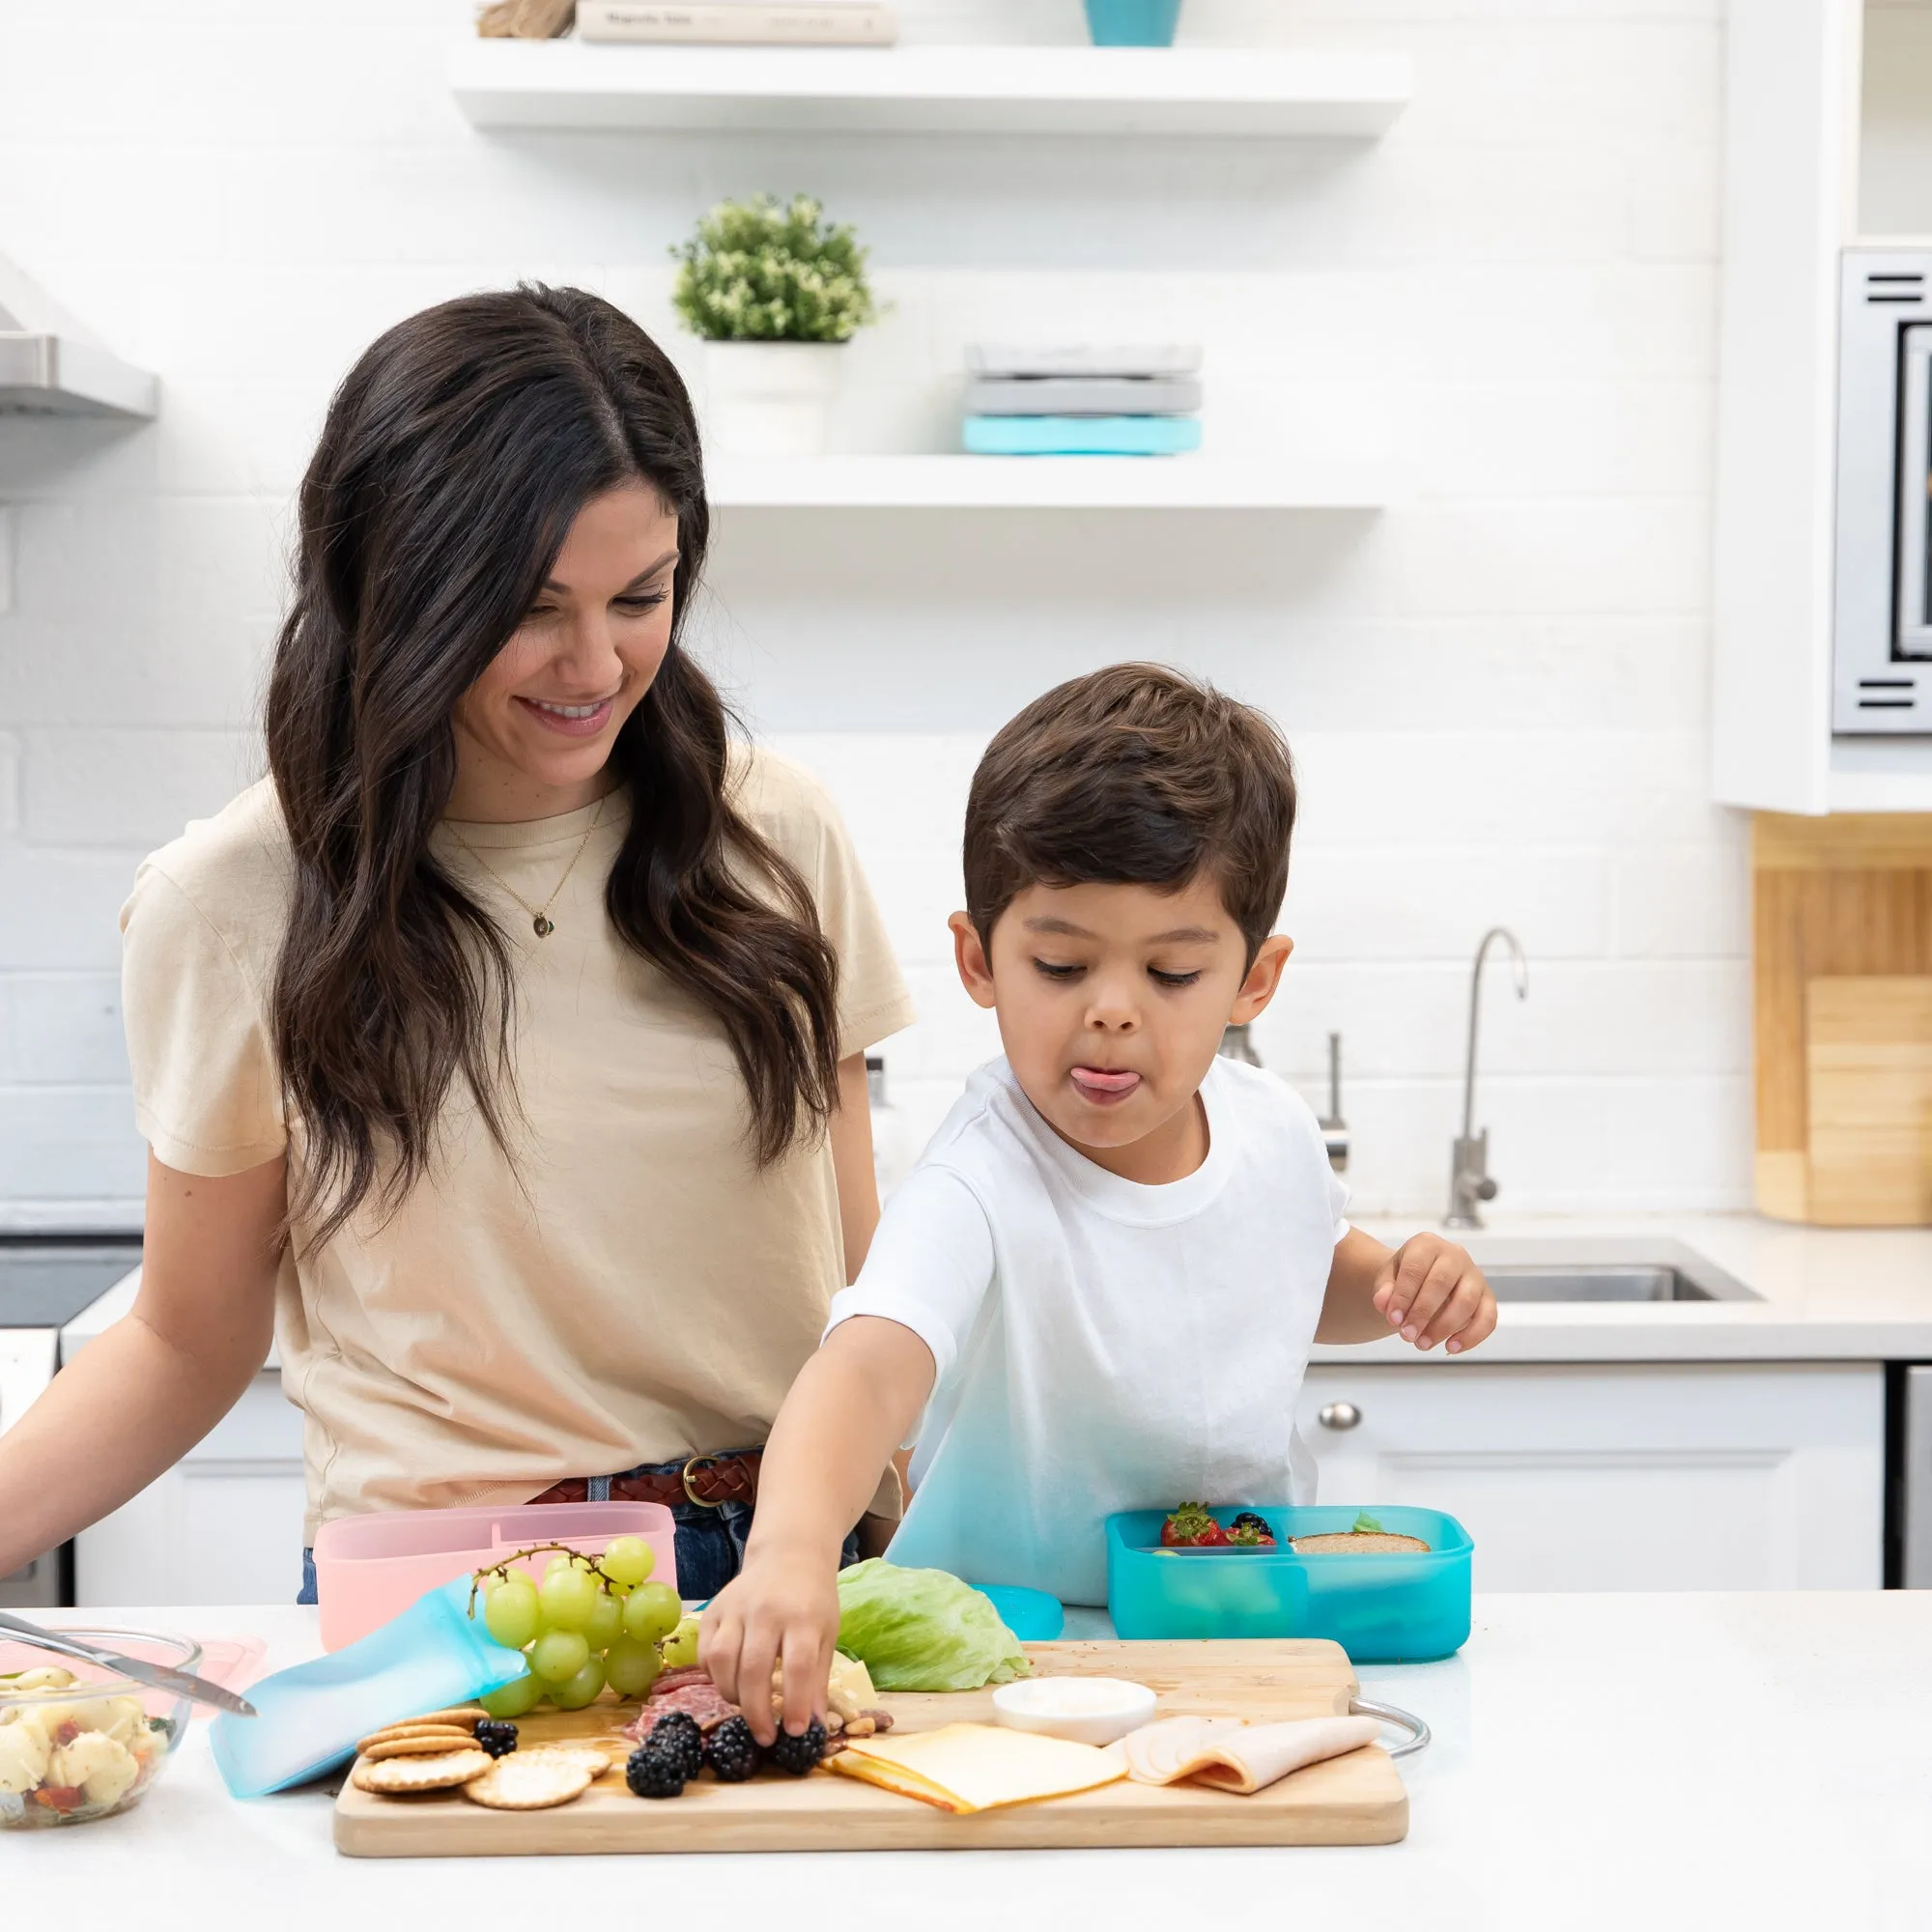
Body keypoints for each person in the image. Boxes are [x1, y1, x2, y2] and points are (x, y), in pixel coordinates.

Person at [0, 286, 914, 1603]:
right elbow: (186, 1344)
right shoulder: (236, 901)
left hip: (791, 1564)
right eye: (532, 608)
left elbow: (871, 1288)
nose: (595, 663)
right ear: (392, 588)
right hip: (449, 1598)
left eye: (641, 596)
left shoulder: (776, 836)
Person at [701, 664, 1499, 1741]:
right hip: (997, 1666)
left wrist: (1400, 1283)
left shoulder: (1270, 1128)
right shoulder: (978, 1176)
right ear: (979, 960)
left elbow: (1309, 1278)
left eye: (1170, 974)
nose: (1112, 1012)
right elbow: (863, 1364)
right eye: (1062, 963)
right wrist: (792, 1551)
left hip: (1224, 1637)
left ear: (1253, 981)